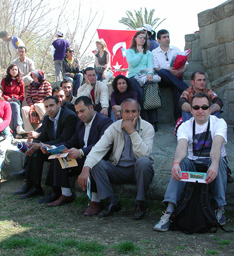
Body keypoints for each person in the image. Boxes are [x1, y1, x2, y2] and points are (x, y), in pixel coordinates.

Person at [154, 92, 228, 232]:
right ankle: (169, 212)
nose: (200, 110)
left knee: (220, 163)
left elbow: (217, 146)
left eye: (205, 107)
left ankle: (220, 207)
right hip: (193, 163)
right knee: (181, 164)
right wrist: (176, 163)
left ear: (210, 109)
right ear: (191, 109)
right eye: (196, 107)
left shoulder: (219, 123)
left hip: (212, 161)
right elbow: (182, 147)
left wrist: (214, 164)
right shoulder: (185, 125)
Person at [78, 99, 155, 220]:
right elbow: (98, 148)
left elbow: (144, 153)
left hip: (138, 170)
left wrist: (132, 132)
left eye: (134, 111)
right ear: (121, 113)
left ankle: (140, 203)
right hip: (118, 168)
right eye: (127, 111)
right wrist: (86, 168)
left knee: (144, 161)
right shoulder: (114, 127)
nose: (130, 115)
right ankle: (111, 202)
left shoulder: (147, 127)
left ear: (139, 113)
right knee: (96, 164)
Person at [40, 96, 112, 209]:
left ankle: (96, 200)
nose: (80, 115)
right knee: (58, 157)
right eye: (77, 112)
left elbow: (101, 145)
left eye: (82, 111)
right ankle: (66, 193)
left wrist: (81, 152)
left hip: (99, 158)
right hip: (81, 156)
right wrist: (53, 147)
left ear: (91, 107)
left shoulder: (104, 122)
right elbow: (72, 141)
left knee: (93, 164)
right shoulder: (80, 123)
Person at [13, 96, 78, 199]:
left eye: (51, 105)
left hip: (69, 150)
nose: (49, 109)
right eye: (46, 107)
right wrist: (33, 144)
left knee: (53, 154)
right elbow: (43, 137)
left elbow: (64, 140)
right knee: (34, 151)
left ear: (59, 104)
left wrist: (42, 145)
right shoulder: (47, 118)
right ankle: (34, 185)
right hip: (53, 148)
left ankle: (55, 191)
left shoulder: (69, 117)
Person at [152, 29, 188, 121]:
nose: (167, 39)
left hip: (176, 76)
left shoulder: (175, 49)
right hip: (163, 79)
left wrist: (181, 71)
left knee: (176, 89)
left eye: (168, 36)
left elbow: (186, 64)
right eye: (164, 37)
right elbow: (156, 68)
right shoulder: (154, 52)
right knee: (162, 72)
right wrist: (169, 70)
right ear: (158, 40)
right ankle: (185, 88)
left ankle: (178, 118)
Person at [126, 30, 157, 128]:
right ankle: (144, 120)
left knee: (151, 90)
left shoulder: (148, 53)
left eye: (144, 38)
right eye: (140, 37)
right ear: (135, 38)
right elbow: (132, 63)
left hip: (145, 76)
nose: (142, 39)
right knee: (139, 92)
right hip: (133, 76)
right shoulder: (129, 51)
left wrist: (150, 74)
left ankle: (154, 121)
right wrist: (140, 53)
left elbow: (150, 66)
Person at [1, 64, 26, 137]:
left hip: (17, 101)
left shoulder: (20, 81)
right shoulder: (4, 80)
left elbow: (22, 94)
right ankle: (18, 126)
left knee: (15, 105)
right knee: (13, 105)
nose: (14, 71)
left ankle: (16, 133)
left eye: (15, 69)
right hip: (7, 100)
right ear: (9, 71)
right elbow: (1, 92)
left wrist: (18, 99)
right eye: (12, 69)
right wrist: (8, 98)